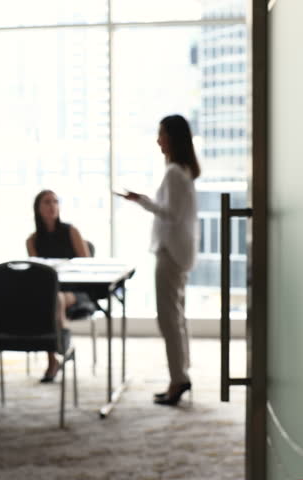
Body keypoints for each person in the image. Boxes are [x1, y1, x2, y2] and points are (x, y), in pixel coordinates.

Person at [118, 114, 200, 406]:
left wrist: (141, 200)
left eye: (161, 134)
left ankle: (178, 379)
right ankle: (181, 375)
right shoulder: (182, 172)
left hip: (171, 253)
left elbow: (171, 214)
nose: (158, 140)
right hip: (179, 251)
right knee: (176, 318)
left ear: (172, 138)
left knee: (169, 320)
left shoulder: (174, 173)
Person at [25, 189, 91, 383]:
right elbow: (37, 272)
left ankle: (57, 352)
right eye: (47, 202)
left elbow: (86, 263)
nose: (52, 205)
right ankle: (60, 348)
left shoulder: (71, 231)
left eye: (55, 201)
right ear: (38, 208)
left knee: (53, 300)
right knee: (49, 299)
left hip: (76, 288)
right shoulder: (32, 240)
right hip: (50, 288)